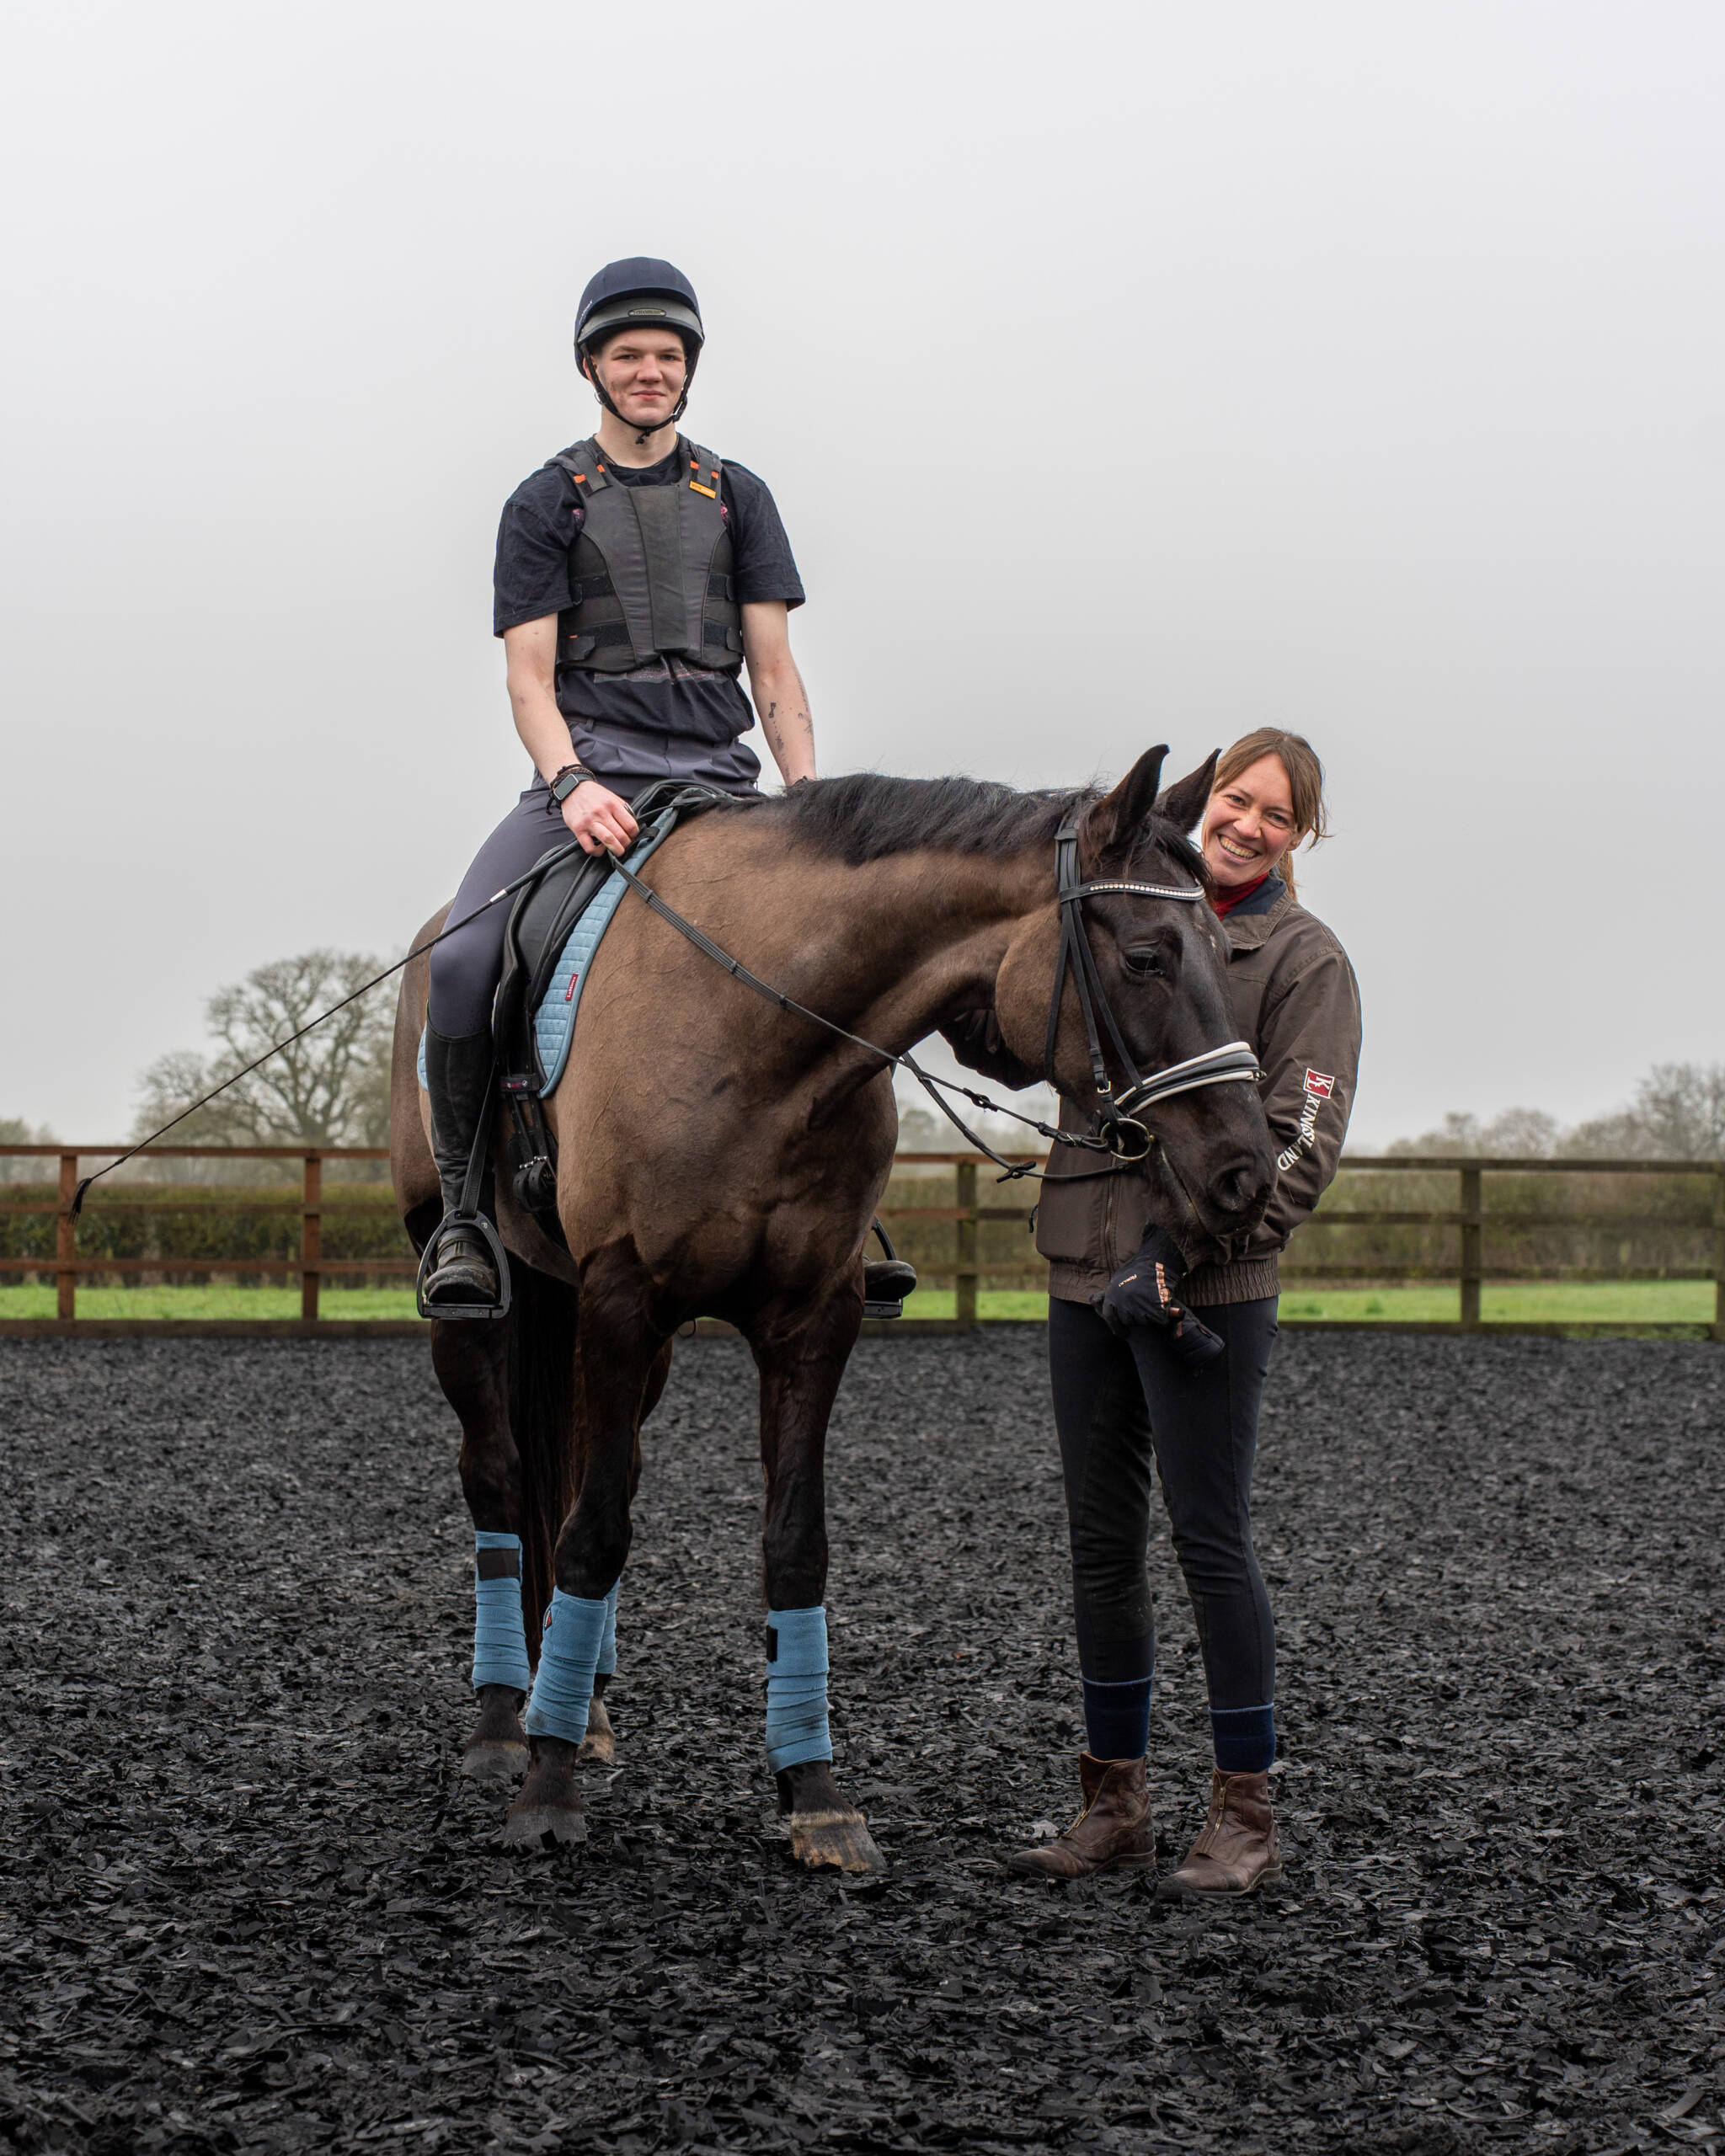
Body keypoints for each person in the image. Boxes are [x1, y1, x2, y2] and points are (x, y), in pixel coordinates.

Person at [422, 258, 816, 1308]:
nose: (649, 371)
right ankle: (463, 1217)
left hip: (722, 775)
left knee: (834, 945)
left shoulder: (740, 497)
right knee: (460, 961)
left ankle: (845, 1212)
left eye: (667, 356)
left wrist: (808, 797)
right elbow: (528, 678)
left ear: (689, 372)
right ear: (592, 367)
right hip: (593, 770)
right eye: (629, 355)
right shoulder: (544, 500)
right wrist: (571, 785)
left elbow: (773, 670)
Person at [1009, 728, 1361, 1896]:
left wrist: (1177, 1253)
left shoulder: (1305, 959)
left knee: (1211, 1542)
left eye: (1276, 813)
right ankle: (1114, 1805)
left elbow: (1298, 1145)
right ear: (1207, 801)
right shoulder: (1126, 913)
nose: (1246, 823)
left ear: (1298, 836)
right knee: (1101, 1548)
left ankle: (1244, 1817)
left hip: (1206, 1283)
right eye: (1236, 798)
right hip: (1079, 1261)